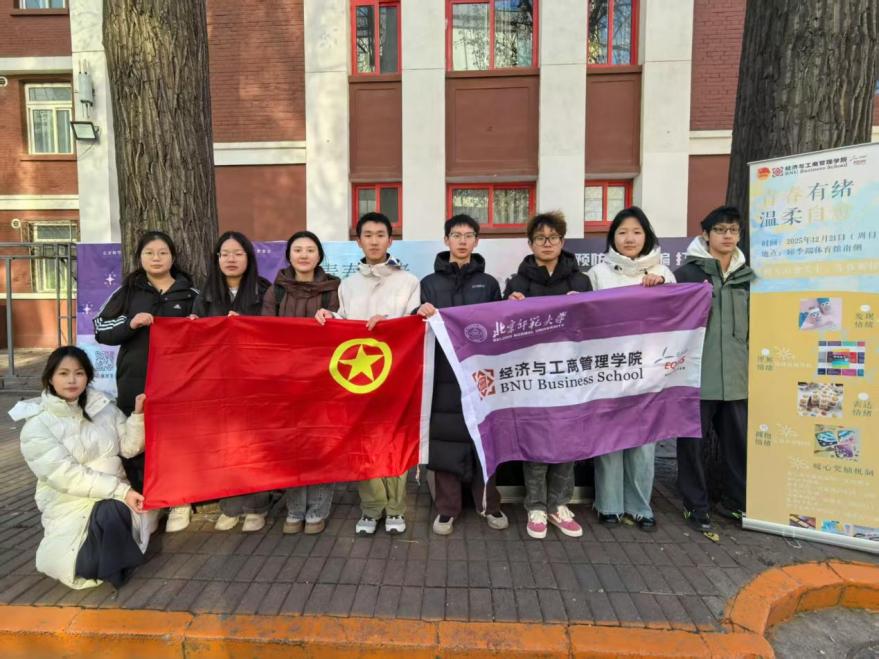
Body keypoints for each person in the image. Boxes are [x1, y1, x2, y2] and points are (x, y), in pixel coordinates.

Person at [10, 346, 155, 589]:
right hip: (71, 502)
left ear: (87, 377)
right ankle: (111, 561)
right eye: (63, 373)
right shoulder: (37, 426)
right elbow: (65, 476)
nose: (72, 380)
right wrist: (121, 491)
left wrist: (138, 416)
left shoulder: (104, 408)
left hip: (116, 499)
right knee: (87, 559)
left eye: (79, 373)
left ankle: (114, 562)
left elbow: (130, 448)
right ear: (50, 378)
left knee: (112, 512)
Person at [315, 212, 420, 536]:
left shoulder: (409, 281)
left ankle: (396, 508)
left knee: (394, 441)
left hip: (396, 374)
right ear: (358, 241)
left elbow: (415, 323)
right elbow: (345, 321)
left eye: (380, 234)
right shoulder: (348, 284)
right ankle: (371, 507)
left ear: (391, 240)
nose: (374, 241)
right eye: (368, 235)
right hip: (357, 380)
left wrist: (390, 325)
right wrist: (329, 316)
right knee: (362, 441)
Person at [93, 230, 199, 533]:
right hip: (135, 380)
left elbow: (209, 335)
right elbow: (101, 329)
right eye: (149, 253)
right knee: (139, 442)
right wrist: (131, 323)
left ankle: (180, 500)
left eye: (163, 253)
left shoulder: (190, 294)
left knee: (177, 440)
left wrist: (196, 328)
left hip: (179, 383)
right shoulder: (127, 292)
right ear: (139, 257)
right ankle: (151, 500)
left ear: (173, 257)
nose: (156, 258)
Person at [416, 214, 509, 536]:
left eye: (469, 235)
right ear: (446, 240)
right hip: (442, 373)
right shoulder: (429, 283)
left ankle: (489, 504)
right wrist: (419, 312)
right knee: (445, 441)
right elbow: (416, 326)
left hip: (480, 373)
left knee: (484, 438)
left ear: (477, 241)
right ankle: (447, 509)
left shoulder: (489, 283)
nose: (462, 240)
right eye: (456, 235)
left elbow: (500, 326)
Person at [503, 211, 592, 540]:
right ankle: (536, 506)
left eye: (553, 237)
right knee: (537, 440)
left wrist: (584, 306)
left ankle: (559, 504)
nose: (547, 243)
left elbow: (596, 329)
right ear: (530, 244)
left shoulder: (581, 281)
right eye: (540, 238)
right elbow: (504, 332)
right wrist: (509, 305)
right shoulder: (517, 282)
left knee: (567, 440)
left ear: (562, 241)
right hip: (533, 374)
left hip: (570, 374)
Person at [586, 206, 675, 532]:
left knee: (644, 440)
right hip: (609, 368)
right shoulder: (598, 274)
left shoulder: (663, 273)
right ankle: (608, 504)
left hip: (649, 370)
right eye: (622, 232)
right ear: (612, 237)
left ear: (646, 236)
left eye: (636, 232)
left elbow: (677, 315)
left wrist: (663, 287)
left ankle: (640, 506)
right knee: (608, 438)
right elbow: (585, 316)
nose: (629, 238)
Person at [674, 206, 755, 532]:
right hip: (697, 379)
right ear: (705, 234)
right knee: (691, 448)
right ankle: (695, 506)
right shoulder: (686, 276)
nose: (727, 236)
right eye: (720, 230)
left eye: (733, 230)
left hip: (736, 380)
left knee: (739, 447)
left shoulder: (747, 277)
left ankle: (737, 503)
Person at [190, 231, 273, 533]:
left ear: (249, 258)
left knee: (254, 444)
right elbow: (195, 339)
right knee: (224, 443)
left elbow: (274, 333)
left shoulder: (264, 291)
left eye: (238, 253)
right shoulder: (206, 294)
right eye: (224, 254)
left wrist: (247, 327)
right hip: (219, 381)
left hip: (254, 380)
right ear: (217, 259)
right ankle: (230, 505)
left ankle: (257, 505)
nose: (231, 259)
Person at [265, 230, 341, 535]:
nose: (304, 255)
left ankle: (318, 510)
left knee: (322, 444)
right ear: (289, 255)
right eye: (298, 249)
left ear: (319, 255)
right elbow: (264, 334)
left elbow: (344, 328)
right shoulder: (276, 291)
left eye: (310, 249)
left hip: (325, 381)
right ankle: (295, 509)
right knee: (292, 445)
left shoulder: (333, 288)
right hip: (286, 381)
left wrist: (333, 317)